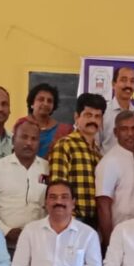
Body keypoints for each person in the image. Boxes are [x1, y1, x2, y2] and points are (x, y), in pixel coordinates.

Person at [0, 118, 49, 250]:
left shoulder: (47, 168)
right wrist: (5, 231)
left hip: (40, 243)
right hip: (4, 244)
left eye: (34, 139)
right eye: (24, 137)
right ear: (13, 140)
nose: (29, 143)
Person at [49, 93, 106, 228]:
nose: (93, 120)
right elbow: (57, 188)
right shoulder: (65, 145)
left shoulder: (99, 154)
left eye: (97, 116)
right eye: (88, 115)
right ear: (76, 117)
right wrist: (67, 222)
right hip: (72, 221)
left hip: (94, 223)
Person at [96, 110, 134, 248]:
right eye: (124, 129)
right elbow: (103, 206)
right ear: (115, 132)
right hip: (118, 235)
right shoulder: (109, 162)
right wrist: (109, 243)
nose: (130, 134)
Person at [99, 67, 134, 155]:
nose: (128, 85)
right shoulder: (103, 113)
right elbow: (95, 147)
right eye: (123, 80)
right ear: (113, 84)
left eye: (132, 81)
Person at [20, 83, 72, 159]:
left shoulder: (64, 130)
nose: (45, 103)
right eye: (41, 99)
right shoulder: (21, 124)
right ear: (32, 103)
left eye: (49, 101)